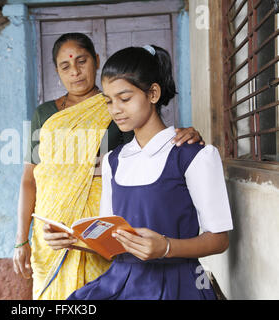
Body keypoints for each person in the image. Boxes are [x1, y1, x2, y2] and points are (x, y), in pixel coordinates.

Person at [13, 33, 204, 300]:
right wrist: (22, 239)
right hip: (53, 228)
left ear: (96, 60)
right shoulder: (43, 114)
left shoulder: (118, 109)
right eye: (65, 66)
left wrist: (182, 136)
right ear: (56, 70)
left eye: (82, 61)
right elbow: (30, 178)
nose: (75, 72)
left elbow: (146, 149)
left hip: (101, 225)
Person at [64, 45, 233, 300]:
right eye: (109, 101)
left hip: (178, 285)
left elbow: (219, 240)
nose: (115, 109)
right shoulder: (113, 161)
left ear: (153, 93)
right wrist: (71, 240)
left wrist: (166, 247)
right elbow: (112, 241)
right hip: (122, 282)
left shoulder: (194, 155)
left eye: (125, 98)